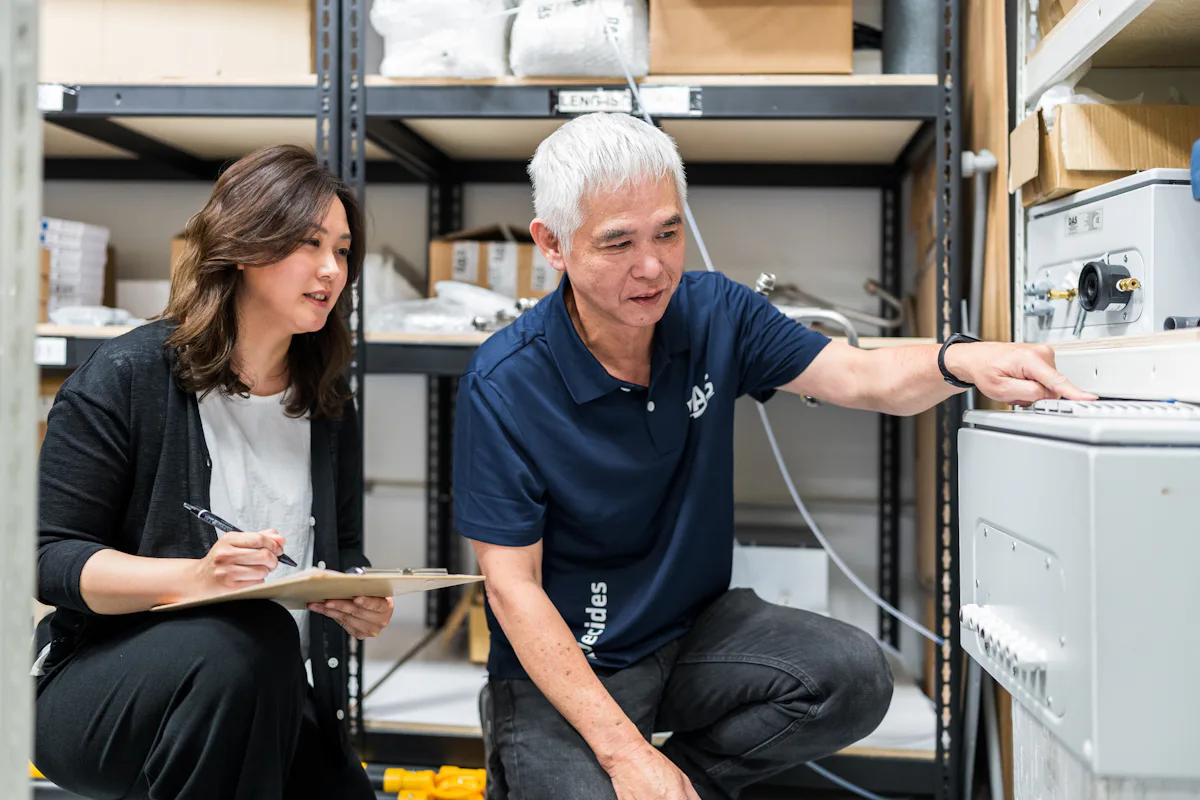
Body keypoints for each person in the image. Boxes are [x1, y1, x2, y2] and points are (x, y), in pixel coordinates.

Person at [454, 112, 1095, 800]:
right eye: (618, 243)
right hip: (570, 660)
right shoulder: (505, 382)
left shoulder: (714, 312)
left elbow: (857, 375)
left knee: (852, 675)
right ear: (552, 244)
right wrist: (623, 755)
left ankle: (687, 787)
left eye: (669, 232)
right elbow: (512, 589)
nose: (653, 266)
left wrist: (962, 360)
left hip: (690, 632)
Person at [33, 145, 392, 800]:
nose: (331, 269)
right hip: (98, 691)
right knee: (247, 639)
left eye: (342, 251)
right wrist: (195, 578)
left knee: (272, 669)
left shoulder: (328, 403)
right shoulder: (126, 379)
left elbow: (338, 549)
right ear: (245, 247)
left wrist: (356, 595)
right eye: (308, 244)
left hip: (268, 690)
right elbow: (47, 558)